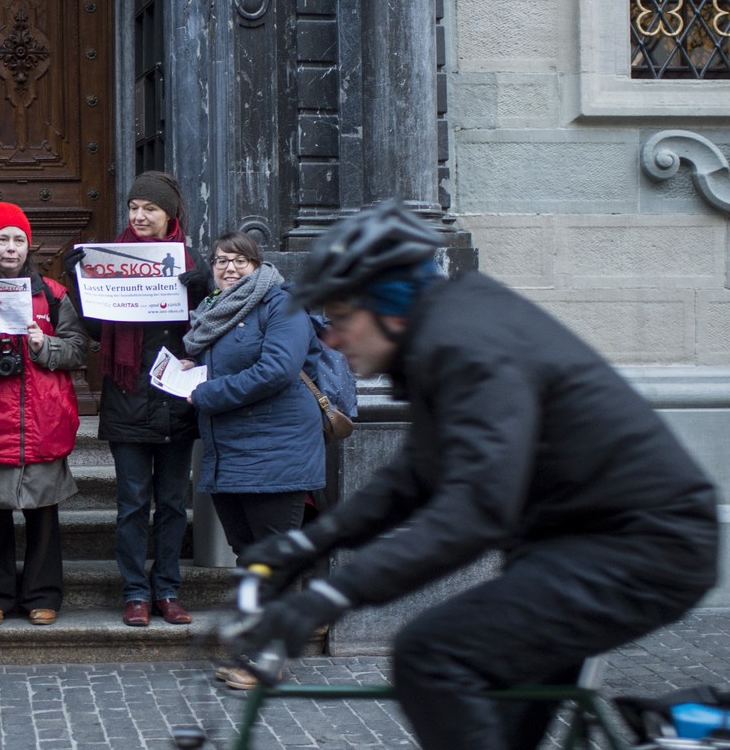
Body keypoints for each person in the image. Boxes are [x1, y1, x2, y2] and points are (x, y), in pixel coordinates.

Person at [232, 200, 720, 750]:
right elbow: (415, 476)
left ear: (390, 309)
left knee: (432, 654)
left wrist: (332, 596)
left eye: (342, 318)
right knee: (505, 725)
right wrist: (306, 543)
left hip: (643, 548)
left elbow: (474, 512)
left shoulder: (468, 349)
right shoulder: (446, 333)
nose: (332, 339)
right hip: (578, 542)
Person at [181, 230, 325, 690]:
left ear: (258, 265)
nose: (228, 267)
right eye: (221, 260)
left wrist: (207, 392)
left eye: (239, 260)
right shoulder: (213, 313)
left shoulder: (282, 304)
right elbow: (225, 365)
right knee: (250, 556)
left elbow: (277, 370)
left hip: (276, 450)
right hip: (230, 453)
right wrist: (188, 373)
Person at [65, 171, 208, 627]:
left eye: (149, 208)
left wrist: (202, 283)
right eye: (133, 207)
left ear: (170, 214)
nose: (139, 216)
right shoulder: (111, 258)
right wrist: (79, 281)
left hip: (176, 400)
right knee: (131, 502)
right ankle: (134, 594)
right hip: (128, 398)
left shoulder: (190, 261)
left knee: (170, 503)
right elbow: (93, 330)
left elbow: (209, 326)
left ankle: (166, 589)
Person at [0, 202, 89, 627]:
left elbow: (79, 349)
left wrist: (43, 345)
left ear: (29, 247)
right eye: (2, 239)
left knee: (44, 515)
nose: (10, 248)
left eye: (18, 240)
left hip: (40, 419)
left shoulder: (52, 292)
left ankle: (42, 594)